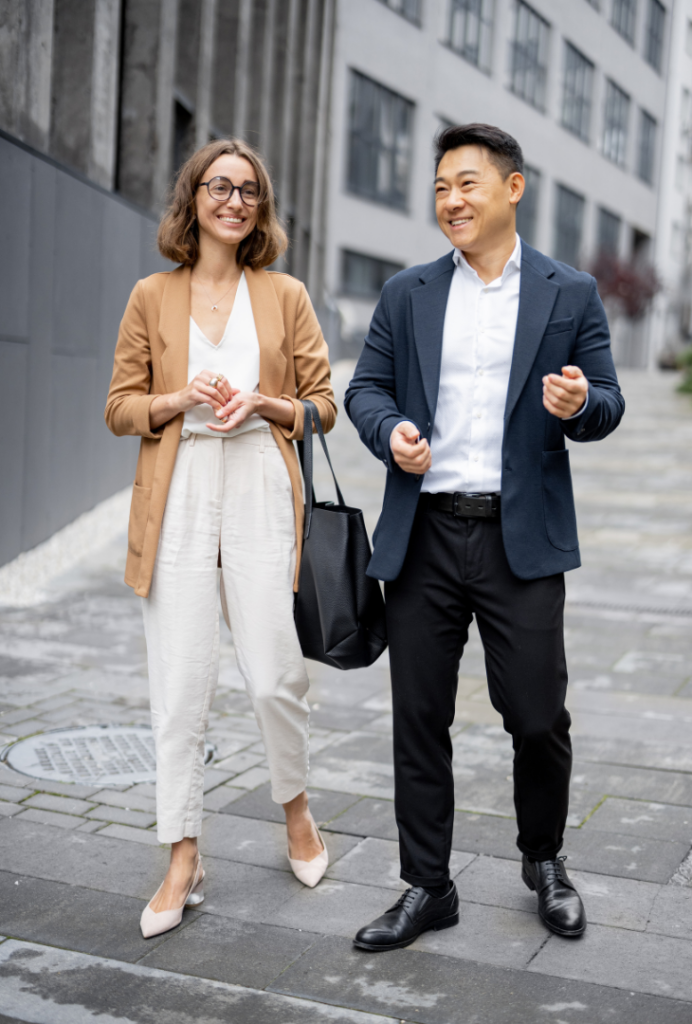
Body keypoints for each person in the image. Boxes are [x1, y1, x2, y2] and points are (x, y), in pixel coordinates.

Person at [345, 123, 624, 951]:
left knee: (537, 715)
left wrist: (580, 406)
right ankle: (427, 886)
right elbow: (365, 389)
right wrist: (390, 428)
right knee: (418, 717)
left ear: (512, 189)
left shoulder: (568, 292)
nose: (450, 200)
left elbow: (606, 398)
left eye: (466, 183)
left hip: (520, 538)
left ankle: (543, 859)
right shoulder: (408, 293)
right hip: (426, 532)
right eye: (439, 187)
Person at [105, 138, 337, 938]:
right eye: (219, 186)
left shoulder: (284, 295)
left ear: (260, 207)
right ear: (193, 197)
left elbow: (323, 405)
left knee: (274, 671)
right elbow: (119, 407)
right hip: (179, 485)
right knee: (181, 682)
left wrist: (266, 404)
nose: (234, 200)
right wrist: (177, 398)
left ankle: (297, 812)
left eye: (249, 190)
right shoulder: (150, 294)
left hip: (260, 483)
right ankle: (183, 853)